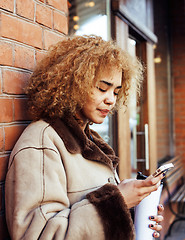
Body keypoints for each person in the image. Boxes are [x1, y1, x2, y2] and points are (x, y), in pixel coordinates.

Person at [5, 35, 164, 240]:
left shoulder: (90, 140)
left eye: (116, 92)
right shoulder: (43, 142)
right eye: (102, 88)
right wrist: (118, 201)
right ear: (74, 83)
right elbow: (36, 235)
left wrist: (135, 210)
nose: (111, 100)